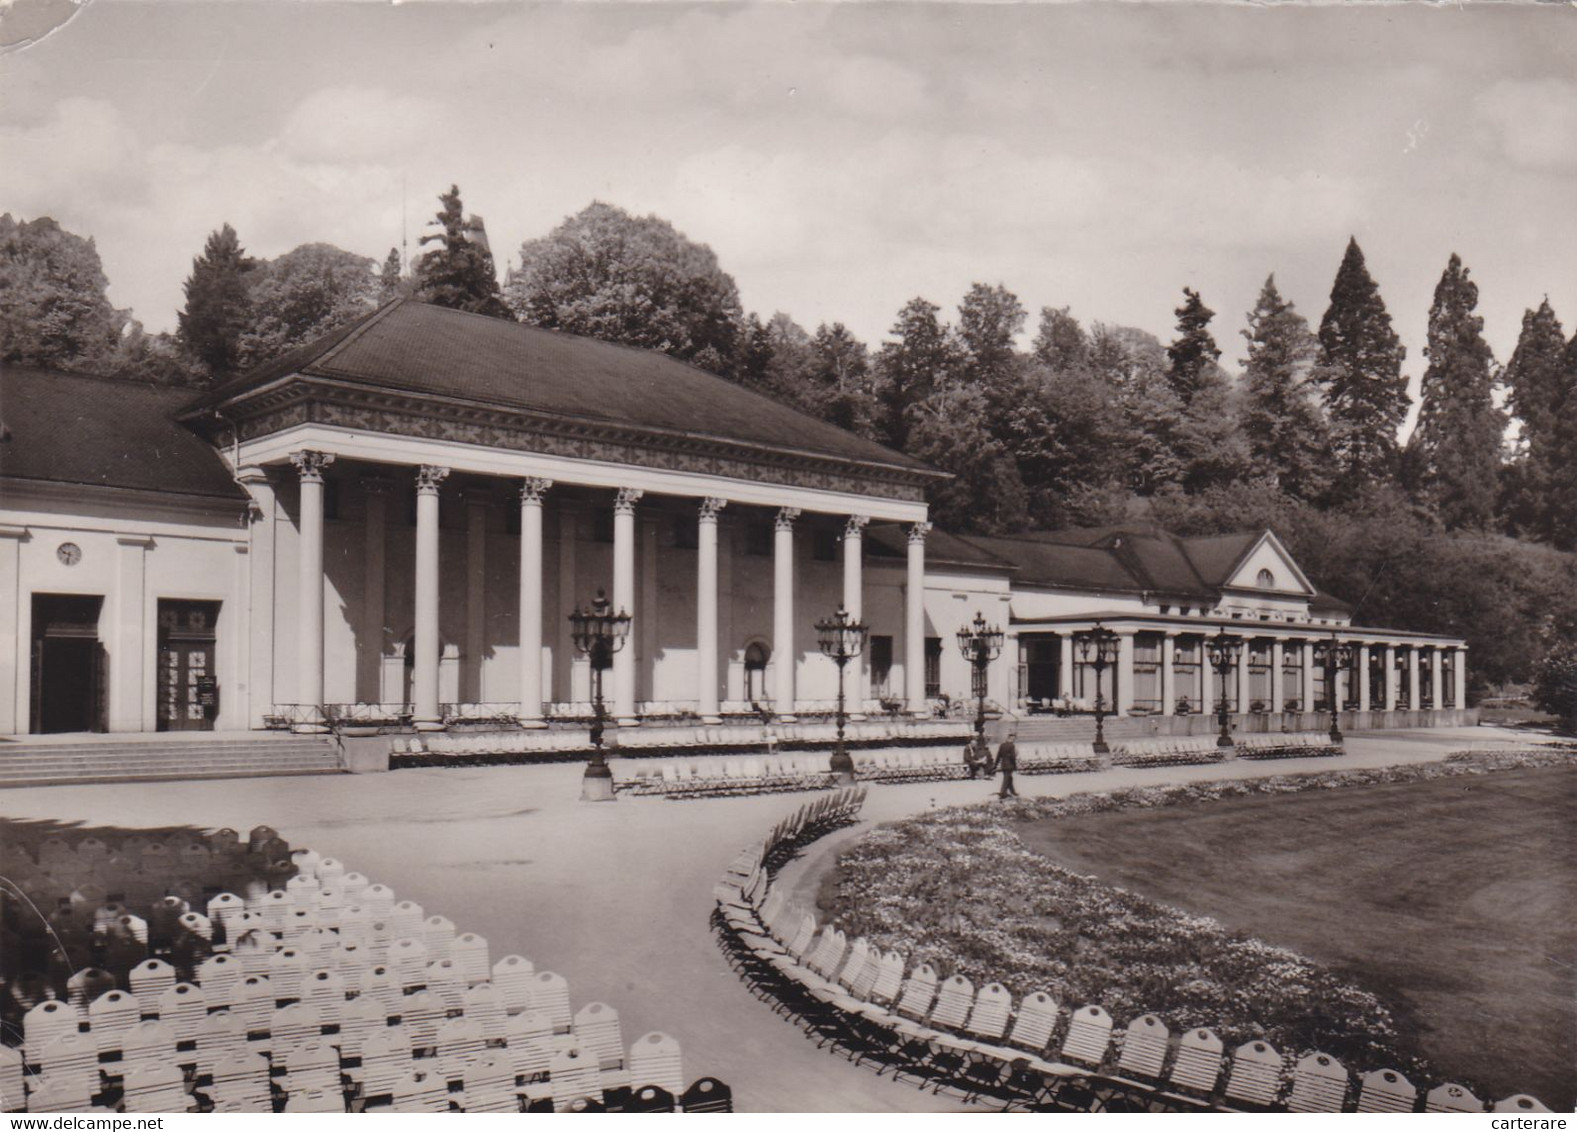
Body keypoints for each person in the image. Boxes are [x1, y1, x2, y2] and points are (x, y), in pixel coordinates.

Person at [996, 731, 1019, 798]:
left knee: (1009, 778)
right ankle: (1003, 793)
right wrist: (1015, 765)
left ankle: (1013, 791)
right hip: (1010, 765)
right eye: (1013, 739)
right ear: (1011, 738)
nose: (1013, 740)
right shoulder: (1011, 746)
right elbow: (1013, 757)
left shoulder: (1002, 745)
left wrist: (995, 765)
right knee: (1006, 779)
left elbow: (998, 755)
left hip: (1004, 764)